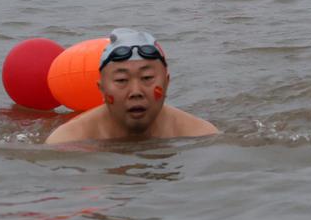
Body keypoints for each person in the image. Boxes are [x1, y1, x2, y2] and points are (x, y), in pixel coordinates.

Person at [45, 29, 219, 145]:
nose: (136, 92)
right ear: (102, 89)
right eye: (121, 80)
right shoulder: (67, 141)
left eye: (147, 78)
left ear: (166, 83)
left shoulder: (201, 135)